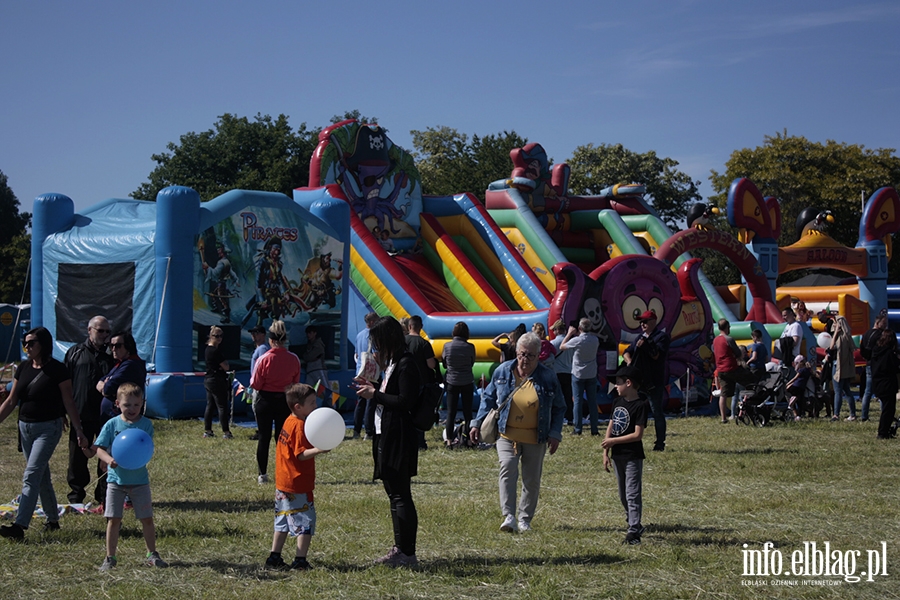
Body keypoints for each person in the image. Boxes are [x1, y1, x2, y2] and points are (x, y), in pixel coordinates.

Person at [469, 332, 565, 533]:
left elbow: (559, 407)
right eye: (522, 354)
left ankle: (525, 519)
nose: (525, 360)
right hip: (506, 434)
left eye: (531, 355)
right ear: (516, 352)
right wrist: (476, 423)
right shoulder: (503, 371)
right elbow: (487, 399)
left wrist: (555, 433)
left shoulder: (548, 377)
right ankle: (509, 516)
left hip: (535, 436)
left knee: (531, 479)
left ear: (539, 355)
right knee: (507, 467)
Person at [0, 327, 88, 540]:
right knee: (41, 477)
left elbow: (69, 401)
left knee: (31, 475)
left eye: (31, 343)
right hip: (25, 427)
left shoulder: (58, 370)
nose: (27, 347)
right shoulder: (23, 368)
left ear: (44, 344)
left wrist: (78, 429)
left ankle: (19, 526)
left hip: (48, 429)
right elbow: (11, 401)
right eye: (25, 343)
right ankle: (52, 521)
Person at [353, 316, 423, 567]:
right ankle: (400, 548)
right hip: (386, 433)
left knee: (401, 494)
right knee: (394, 493)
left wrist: (376, 395)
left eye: (378, 341)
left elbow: (405, 401)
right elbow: (389, 395)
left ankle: (407, 552)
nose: (376, 347)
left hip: (399, 435)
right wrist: (370, 387)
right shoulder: (392, 364)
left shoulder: (406, 364)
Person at [88, 382, 167, 571]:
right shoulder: (112, 424)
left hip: (140, 481)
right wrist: (109, 459)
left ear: (143, 403)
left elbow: (144, 450)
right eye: (127, 405)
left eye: (136, 405)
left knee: (147, 518)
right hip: (116, 481)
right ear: (117, 404)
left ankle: (152, 554)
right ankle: (110, 557)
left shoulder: (146, 425)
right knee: (113, 519)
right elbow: (98, 448)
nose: (132, 409)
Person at [264, 383, 329, 571]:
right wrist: (319, 449)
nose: (315, 405)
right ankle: (300, 560)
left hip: (283, 481)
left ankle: (274, 557)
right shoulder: (300, 426)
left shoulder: (289, 421)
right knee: (306, 522)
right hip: (297, 483)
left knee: (282, 520)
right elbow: (300, 454)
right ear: (298, 407)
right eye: (311, 402)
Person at [64, 316, 114, 506]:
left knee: (104, 456)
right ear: (89, 330)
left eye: (107, 332)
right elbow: (64, 385)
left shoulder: (111, 355)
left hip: (105, 416)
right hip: (80, 414)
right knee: (77, 458)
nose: (104, 335)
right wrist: (63, 412)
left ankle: (103, 496)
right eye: (100, 331)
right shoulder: (75, 353)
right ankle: (76, 496)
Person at [602, 365, 649, 545]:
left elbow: (638, 435)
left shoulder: (641, 405)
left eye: (619, 383)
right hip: (617, 455)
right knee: (623, 494)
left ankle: (634, 531)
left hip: (632, 455)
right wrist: (606, 451)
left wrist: (614, 442)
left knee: (632, 493)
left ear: (628, 383)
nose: (615, 386)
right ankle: (633, 521)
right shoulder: (617, 402)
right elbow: (611, 426)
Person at [250, 320, 301, 484]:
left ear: (270, 340)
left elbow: (255, 384)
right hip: (284, 401)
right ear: (285, 339)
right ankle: (284, 470)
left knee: (263, 438)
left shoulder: (264, 359)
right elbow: (295, 382)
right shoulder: (294, 359)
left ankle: (262, 475)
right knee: (283, 438)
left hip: (265, 400)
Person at [622, 310, 670, 451]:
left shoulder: (661, 337)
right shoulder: (639, 338)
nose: (642, 324)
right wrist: (629, 362)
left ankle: (660, 442)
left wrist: (646, 345)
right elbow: (626, 352)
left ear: (653, 322)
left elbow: (656, 356)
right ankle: (633, 439)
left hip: (653, 381)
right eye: (640, 322)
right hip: (638, 381)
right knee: (635, 411)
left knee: (656, 412)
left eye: (645, 321)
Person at [561, 318, 600, 436]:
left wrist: (569, 334)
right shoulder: (595, 340)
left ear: (580, 328)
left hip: (578, 373)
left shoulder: (577, 340)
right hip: (591, 373)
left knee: (577, 402)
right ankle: (594, 429)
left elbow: (562, 346)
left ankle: (578, 429)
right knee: (592, 402)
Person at [712, 319, 757, 423]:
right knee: (750, 382)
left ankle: (723, 418)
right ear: (727, 327)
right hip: (731, 367)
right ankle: (749, 409)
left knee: (723, 393)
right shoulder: (729, 339)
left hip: (720, 369)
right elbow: (738, 354)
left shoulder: (715, 340)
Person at [98, 331, 147, 422]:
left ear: (128, 347)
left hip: (122, 419)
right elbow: (102, 379)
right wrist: (104, 384)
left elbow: (108, 388)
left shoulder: (131, 365)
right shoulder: (121, 364)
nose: (113, 349)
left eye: (117, 346)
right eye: (111, 346)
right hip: (112, 418)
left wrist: (105, 386)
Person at [405, 315, 438, 450]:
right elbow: (430, 364)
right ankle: (419, 442)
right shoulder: (424, 343)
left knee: (406, 411)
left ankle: (406, 440)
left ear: (409, 326)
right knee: (420, 412)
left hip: (405, 381)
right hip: (421, 382)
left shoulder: (402, 341)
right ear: (421, 327)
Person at [441, 321, 476, 448]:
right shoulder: (470, 347)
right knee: (468, 413)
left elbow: (445, 363)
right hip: (466, 380)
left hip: (452, 381)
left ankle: (449, 440)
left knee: (451, 412)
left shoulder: (447, 346)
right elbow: (472, 362)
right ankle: (468, 439)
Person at [202, 326, 233, 439]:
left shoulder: (207, 350)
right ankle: (226, 432)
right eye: (216, 336)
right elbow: (226, 366)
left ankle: (208, 430)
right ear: (211, 336)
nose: (219, 338)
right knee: (222, 406)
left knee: (210, 405)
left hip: (209, 379)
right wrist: (224, 366)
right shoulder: (215, 351)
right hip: (216, 380)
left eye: (221, 336)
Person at [858, 310, 888, 422]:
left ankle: (864, 416)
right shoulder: (881, 335)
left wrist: (867, 357)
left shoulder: (866, 334)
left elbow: (862, 349)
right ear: (878, 322)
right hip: (877, 365)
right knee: (881, 390)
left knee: (868, 391)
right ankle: (884, 414)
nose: (885, 325)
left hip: (869, 364)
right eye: (883, 323)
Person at [353, 312, 379, 440]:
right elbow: (375, 354)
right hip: (371, 374)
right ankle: (369, 431)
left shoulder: (359, 335)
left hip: (360, 372)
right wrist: (382, 366)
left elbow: (357, 354)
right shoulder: (374, 336)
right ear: (372, 322)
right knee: (371, 401)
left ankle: (356, 430)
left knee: (361, 402)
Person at [870, 328, 899, 439]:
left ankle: (885, 431)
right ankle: (883, 432)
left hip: (877, 383)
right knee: (888, 410)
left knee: (886, 409)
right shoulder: (889, 353)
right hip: (888, 384)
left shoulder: (876, 351)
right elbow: (894, 367)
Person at [827, 316, 857, 421]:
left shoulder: (840, 338)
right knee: (847, 390)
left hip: (838, 366)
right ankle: (853, 414)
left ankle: (836, 414)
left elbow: (831, 347)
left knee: (838, 391)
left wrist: (835, 333)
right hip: (846, 367)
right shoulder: (848, 336)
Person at [248, 324, 271, 440]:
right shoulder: (259, 348)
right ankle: (261, 429)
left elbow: (262, 366)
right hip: (256, 383)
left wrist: (258, 383)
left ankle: (261, 430)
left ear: (263, 335)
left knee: (257, 407)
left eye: (256, 333)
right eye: (252, 333)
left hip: (259, 384)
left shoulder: (262, 348)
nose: (254, 336)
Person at [550, 320, 575, 424]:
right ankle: (570, 417)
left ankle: (557, 417)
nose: (553, 332)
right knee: (568, 397)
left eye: (554, 330)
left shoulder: (553, 343)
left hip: (557, 372)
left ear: (558, 330)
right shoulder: (571, 342)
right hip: (569, 372)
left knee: (556, 397)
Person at [303, 326, 330, 397]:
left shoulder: (318, 344)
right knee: (307, 392)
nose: (308, 335)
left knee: (326, 391)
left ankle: (332, 406)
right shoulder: (309, 345)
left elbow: (309, 357)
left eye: (310, 333)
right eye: (307, 333)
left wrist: (306, 356)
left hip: (319, 370)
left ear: (315, 333)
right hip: (310, 371)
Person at [785, 356, 812, 421]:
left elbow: (795, 378)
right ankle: (798, 416)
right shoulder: (808, 370)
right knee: (800, 402)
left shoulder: (801, 370)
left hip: (796, 385)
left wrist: (788, 383)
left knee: (787, 393)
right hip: (802, 387)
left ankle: (792, 401)